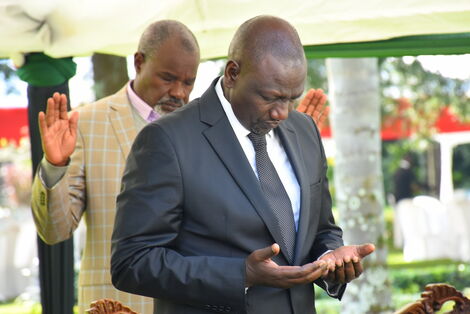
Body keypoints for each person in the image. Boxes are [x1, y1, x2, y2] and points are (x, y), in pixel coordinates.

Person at [111, 15, 375, 314]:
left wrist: (332, 256)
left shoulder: (304, 131)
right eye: (270, 97)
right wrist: (241, 275)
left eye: (292, 98)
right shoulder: (167, 140)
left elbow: (320, 229)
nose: (283, 113)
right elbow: (132, 262)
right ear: (233, 73)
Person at [31, 20, 200, 313]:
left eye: (188, 82)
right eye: (168, 78)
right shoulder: (85, 124)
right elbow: (54, 230)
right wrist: (55, 165)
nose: (179, 92)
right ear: (138, 62)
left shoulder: (202, 129)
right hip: (114, 304)